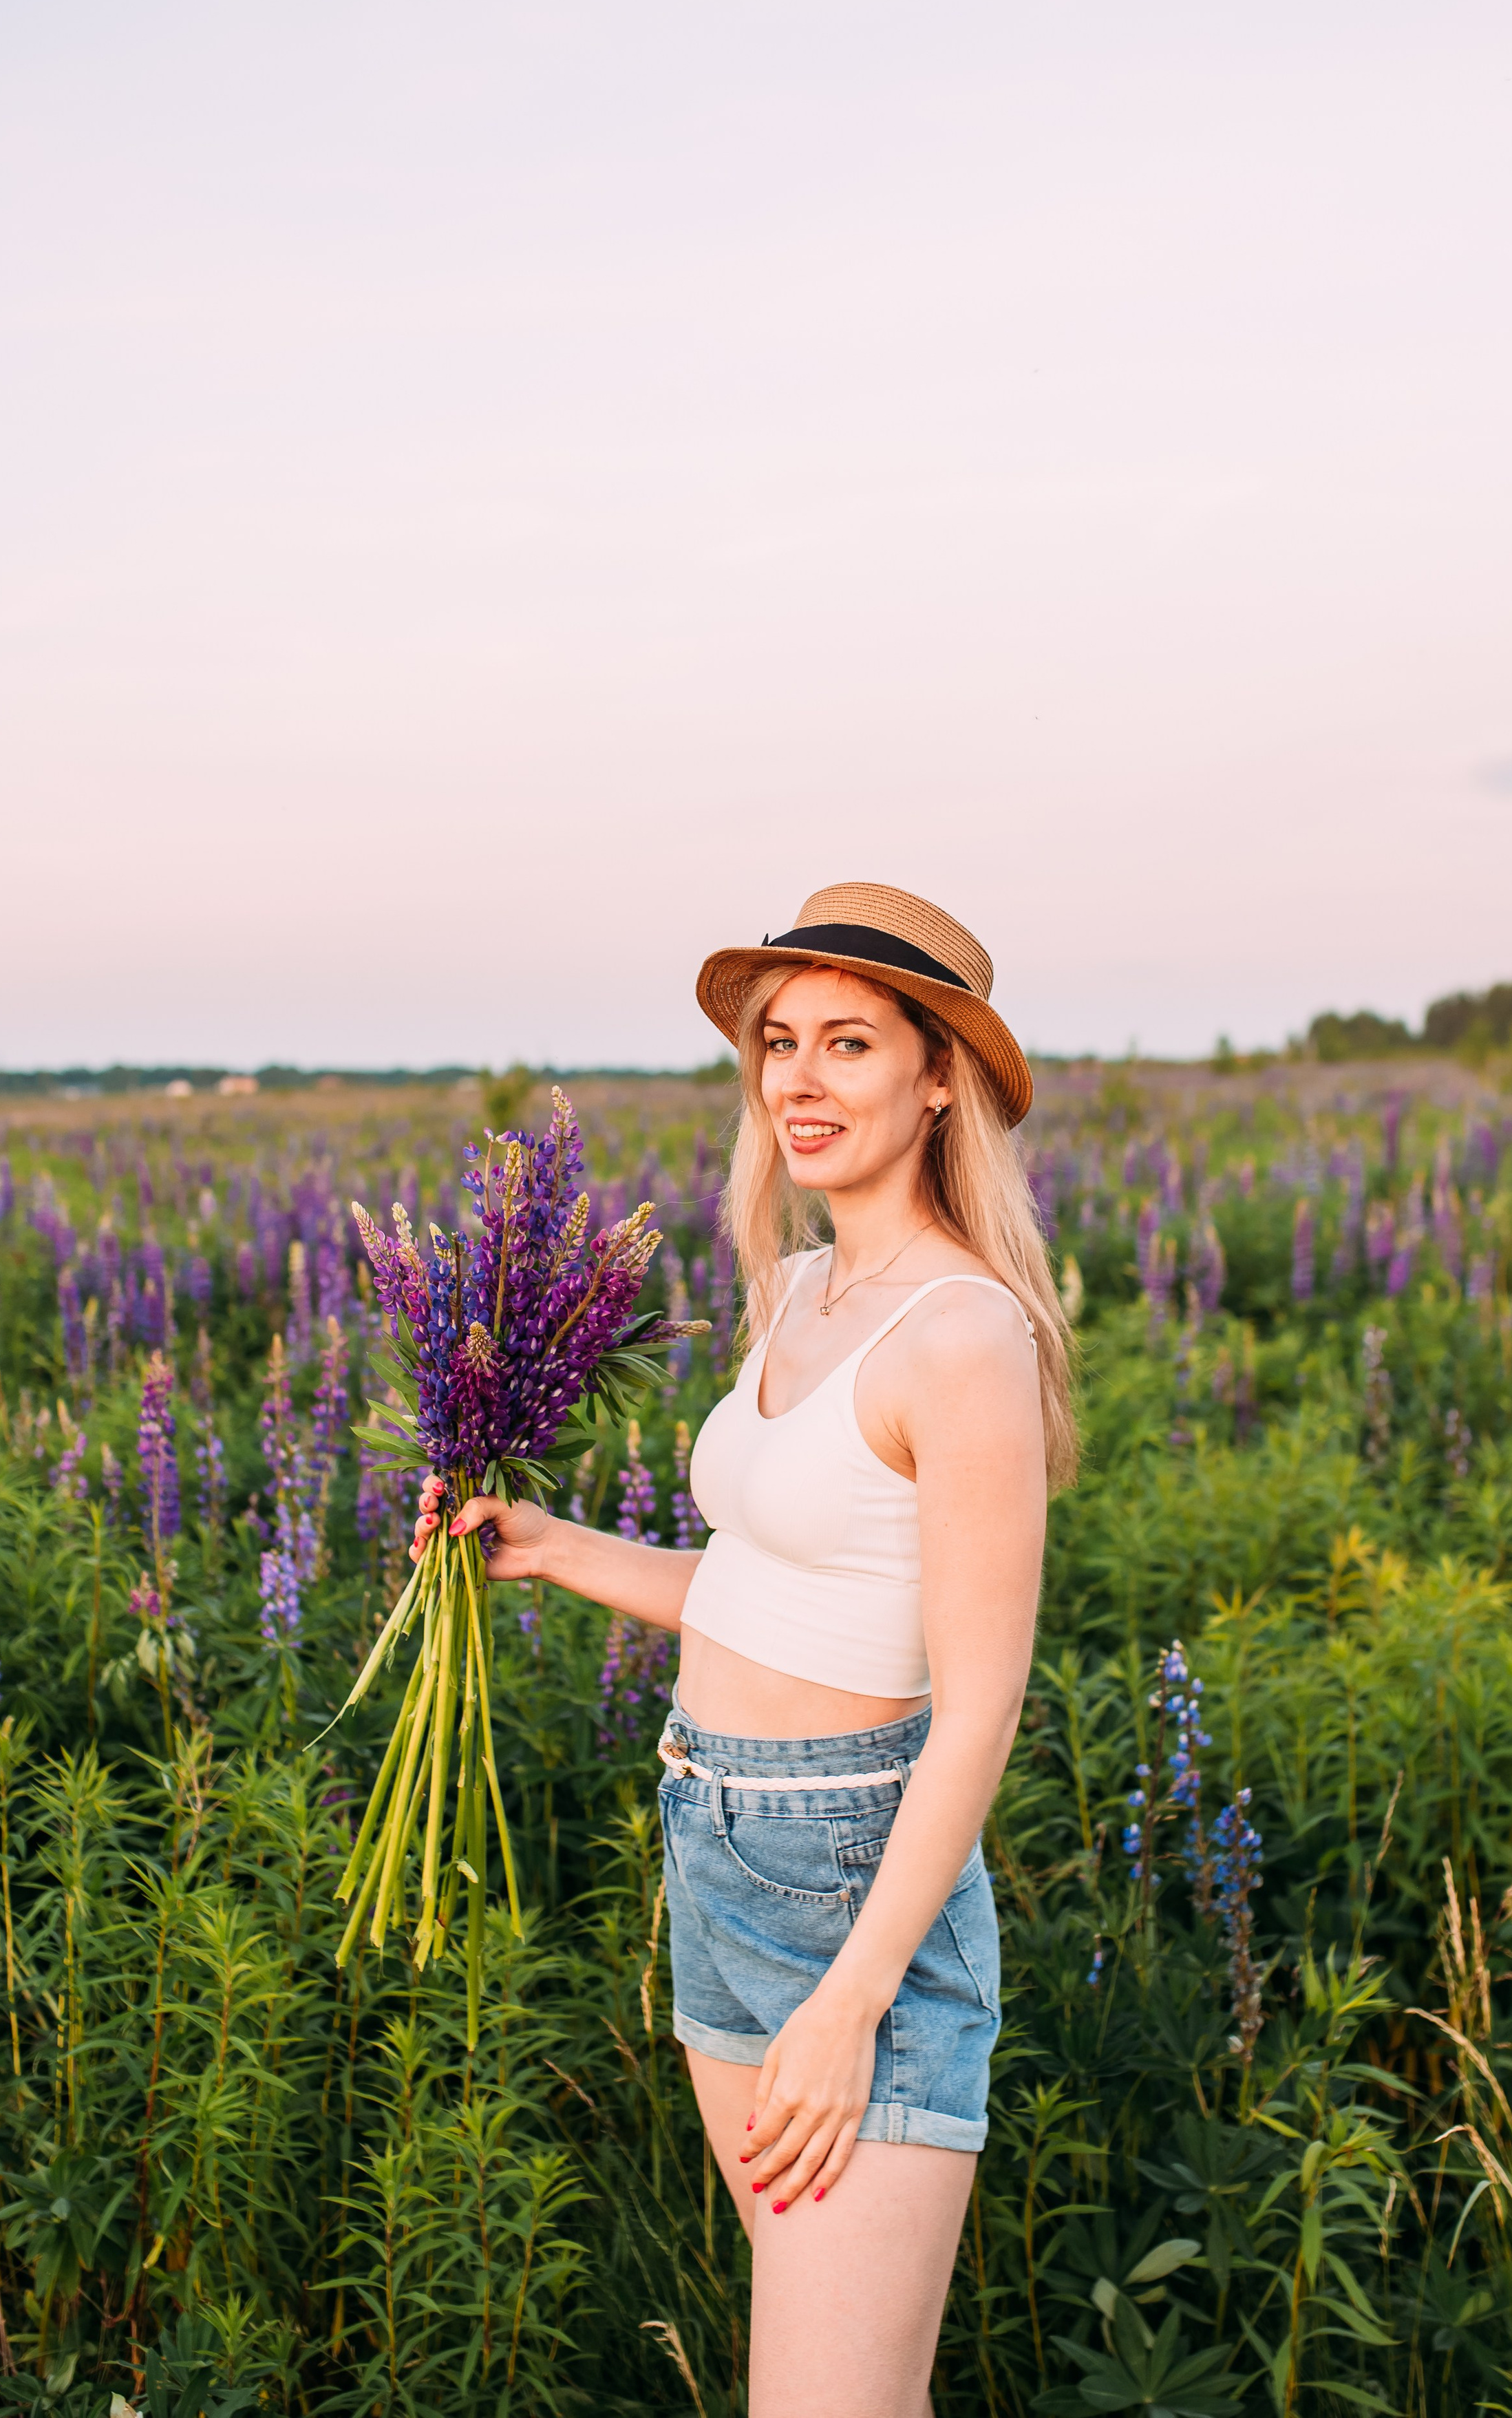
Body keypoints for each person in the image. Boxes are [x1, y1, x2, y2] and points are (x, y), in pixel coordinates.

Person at [413, 881, 1076, 2417]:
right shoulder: (796, 1292)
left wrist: (851, 1998)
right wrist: (552, 1546)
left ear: (937, 1080)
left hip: (851, 1874)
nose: (798, 1078)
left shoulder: (961, 1336)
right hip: (714, 1842)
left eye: (849, 1042)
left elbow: (977, 1708)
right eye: (779, 1041)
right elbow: (777, 1589)